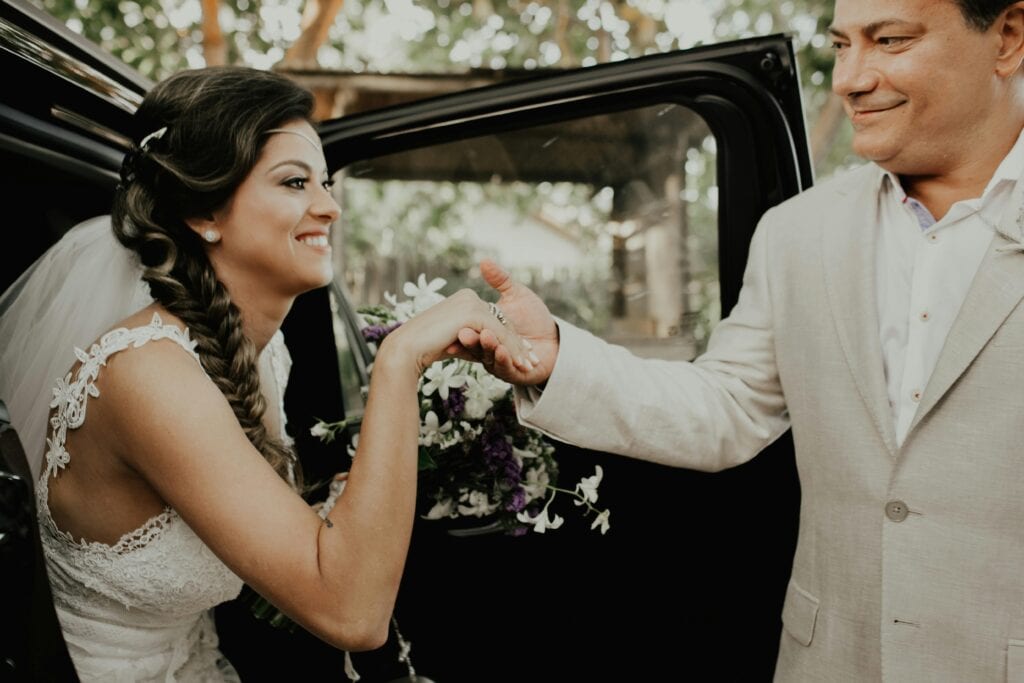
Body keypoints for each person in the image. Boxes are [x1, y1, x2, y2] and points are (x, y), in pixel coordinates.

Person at [460, 0, 1024, 679]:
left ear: (1008, 37)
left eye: (890, 40)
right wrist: (557, 357)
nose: (850, 79)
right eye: (841, 46)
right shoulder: (798, 231)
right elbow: (727, 404)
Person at [0, 65, 532, 681]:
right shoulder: (148, 376)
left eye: (326, 183)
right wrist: (399, 359)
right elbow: (354, 615)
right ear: (204, 213)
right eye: (295, 182)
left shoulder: (264, 352)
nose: (329, 207)